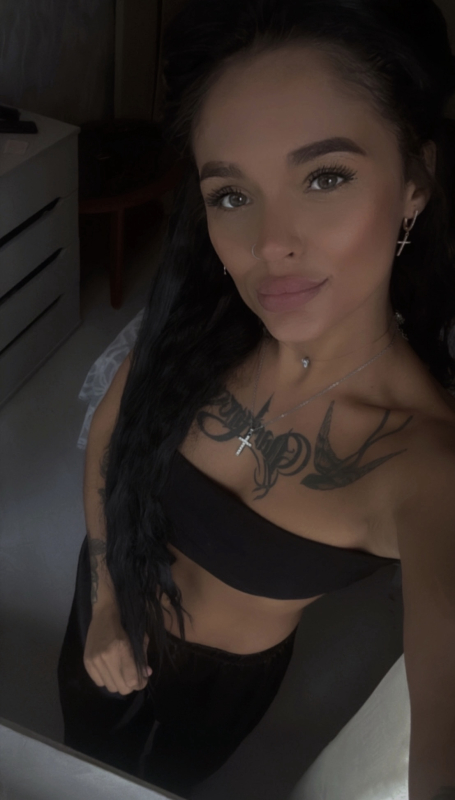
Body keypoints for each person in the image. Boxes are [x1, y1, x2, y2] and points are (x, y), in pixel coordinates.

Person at [58, 1, 455, 798]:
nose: (269, 245)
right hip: (102, 598)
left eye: (325, 177)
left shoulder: (424, 466)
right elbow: (111, 435)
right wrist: (103, 601)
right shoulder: (201, 325)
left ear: (414, 182)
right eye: (231, 195)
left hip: (215, 689)